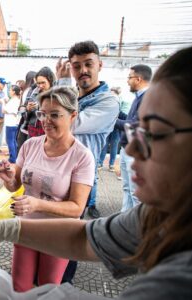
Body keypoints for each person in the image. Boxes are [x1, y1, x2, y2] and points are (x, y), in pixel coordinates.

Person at [0, 41, 192, 300]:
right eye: (135, 131)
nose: (132, 150)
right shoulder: (155, 217)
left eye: (156, 132)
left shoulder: (189, 276)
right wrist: (4, 229)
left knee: (50, 285)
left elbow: (77, 212)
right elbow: (85, 239)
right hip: (32, 229)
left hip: (50, 229)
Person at [0, 86, 95, 291]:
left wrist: (37, 204)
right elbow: (16, 185)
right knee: (19, 287)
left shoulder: (82, 157)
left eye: (55, 115)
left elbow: (76, 207)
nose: (46, 121)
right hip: (27, 228)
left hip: (58, 235)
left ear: (72, 115)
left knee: (47, 291)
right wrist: (8, 179)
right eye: (42, 113)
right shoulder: (30, 145)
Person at [57, 41, 119, 220]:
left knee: (68, 238)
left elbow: (66, 123)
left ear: (100, 65)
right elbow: (50, 118)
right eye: (76, 66)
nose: (83, 70)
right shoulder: (72, 95)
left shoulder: (108, 102)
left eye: (88, 64)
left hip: (79, 183)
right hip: (55, 173)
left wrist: (62, 85)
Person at [115, 64, 152, 212]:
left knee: (135, 192)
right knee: (127, 188)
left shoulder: (147, 98)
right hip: (127, 149)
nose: (127, 81)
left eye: (129, 78)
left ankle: (136, 225)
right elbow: (130, 119)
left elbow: (134, 125)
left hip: (135, 151)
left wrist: (112, 121)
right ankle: (124, 218)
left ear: (138, 79)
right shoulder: (139, 97)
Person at [97, 86, 123, 171]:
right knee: (104, 145)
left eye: (113, 94)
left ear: (117, 95)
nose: (111, 95)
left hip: (116, 128)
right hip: (107, 127)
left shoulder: (120, 103)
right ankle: (100, 163)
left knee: (114, 146)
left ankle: (111, 164)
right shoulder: (107, 102)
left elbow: (123, 115)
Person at [26, 67, 56, 138]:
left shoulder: (56, 94)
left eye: (43, 83)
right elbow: (24, 113)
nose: (40, 86)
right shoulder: (34, 93)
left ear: (50, 81)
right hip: (34, 130)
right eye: (38, 83)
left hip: (49, 130)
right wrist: (28, 109)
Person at [16, 71, 37, 151]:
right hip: (28, 119)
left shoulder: (25, 90)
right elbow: (25, 106)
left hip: (24, 119)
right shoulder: (30, 90)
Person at [3, 85, 21, 164]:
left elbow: (4, 110)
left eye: (10, 90)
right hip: (14, 123)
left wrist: (2, 102)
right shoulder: (16, 100)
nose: (9, 91)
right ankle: (14, 157)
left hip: (11, 123)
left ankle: (12, 158)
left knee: (10, 141)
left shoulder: (14, 100)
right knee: (13, 141)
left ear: (14, 92)